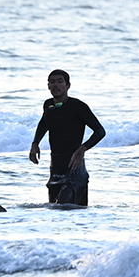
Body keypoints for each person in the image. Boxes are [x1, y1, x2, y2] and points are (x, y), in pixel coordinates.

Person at [29, 69, 106, 205]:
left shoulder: (78, 106)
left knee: (71, 209)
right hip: (56, 166)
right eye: (52, 82)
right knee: (54, 210)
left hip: (74, 167)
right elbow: (43, 124)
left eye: (60, 81)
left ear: (68, 85)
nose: (56, 85)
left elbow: (100, 131)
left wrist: (82, 149)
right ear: (48, 86)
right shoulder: (48, 105)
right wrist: (35, 143)